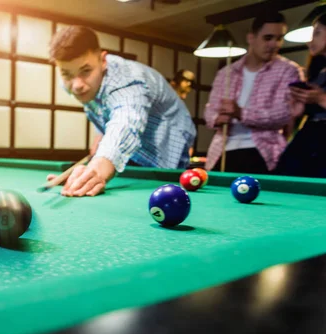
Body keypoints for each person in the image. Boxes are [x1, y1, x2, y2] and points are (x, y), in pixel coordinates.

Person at [46, 25, 196, 197]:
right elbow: (105, 106)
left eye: (85, 71)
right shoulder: (73, 83)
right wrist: (101, 136)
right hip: (134, 150)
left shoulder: (129, 80)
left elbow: (126, 121)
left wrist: (99, 165)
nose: (77, 85)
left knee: (164, 196)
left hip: (168, 144)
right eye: (67, 74)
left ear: (103, 61)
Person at [203, 12, 304, 174]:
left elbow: (283, 115)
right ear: (251, 38)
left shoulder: (289, 71)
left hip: (262, 153)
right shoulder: (227, 72)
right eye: (268, 38)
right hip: (221, 151)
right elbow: (210, 111)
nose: (274, 44)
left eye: (279, 38)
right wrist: (217, 118)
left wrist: (240, 113)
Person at [276, 14, 326, 178]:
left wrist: (320, 98)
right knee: (285, 174)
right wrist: (298, 110)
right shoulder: (318, 71)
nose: (309, 41)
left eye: (317, 33)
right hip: (310, 136)